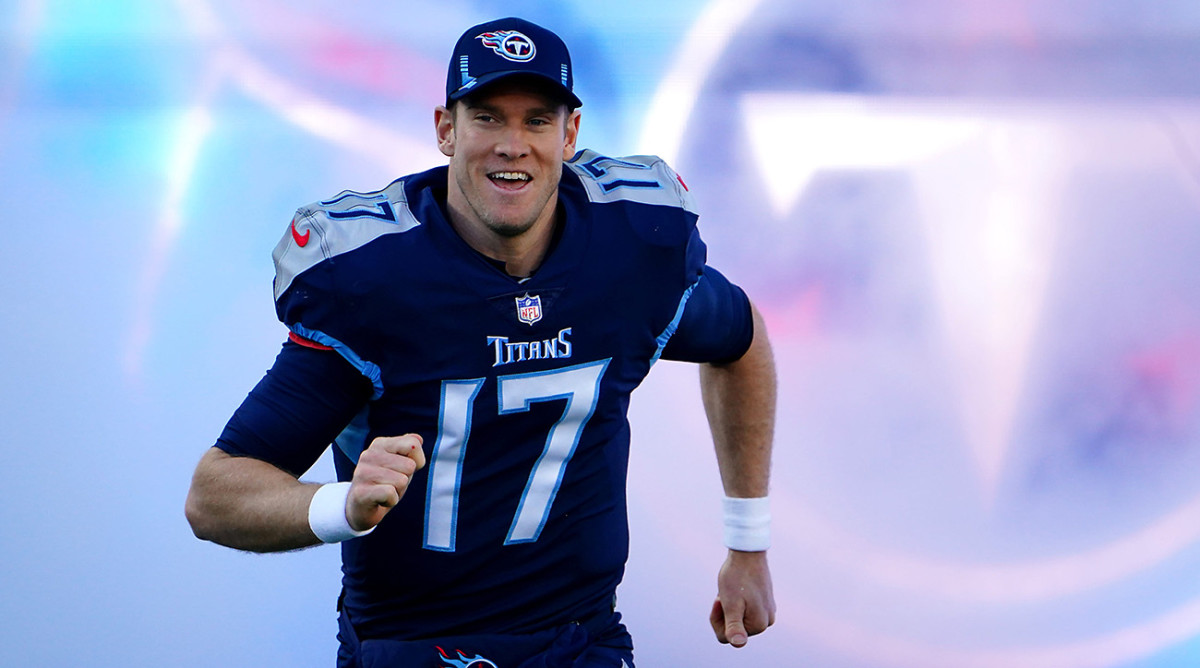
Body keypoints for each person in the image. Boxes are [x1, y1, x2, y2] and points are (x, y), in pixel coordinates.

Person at [185, 16, 776, 668]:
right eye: (488, 118)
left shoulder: (627, 251)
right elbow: (215, 494)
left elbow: (741, 341)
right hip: (413, 649)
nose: (512, 144)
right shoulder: (377, 281)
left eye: (536, 120)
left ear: (570, 134)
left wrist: (747, 542)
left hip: (579, 643)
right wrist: (340, 506)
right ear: (446, 129)